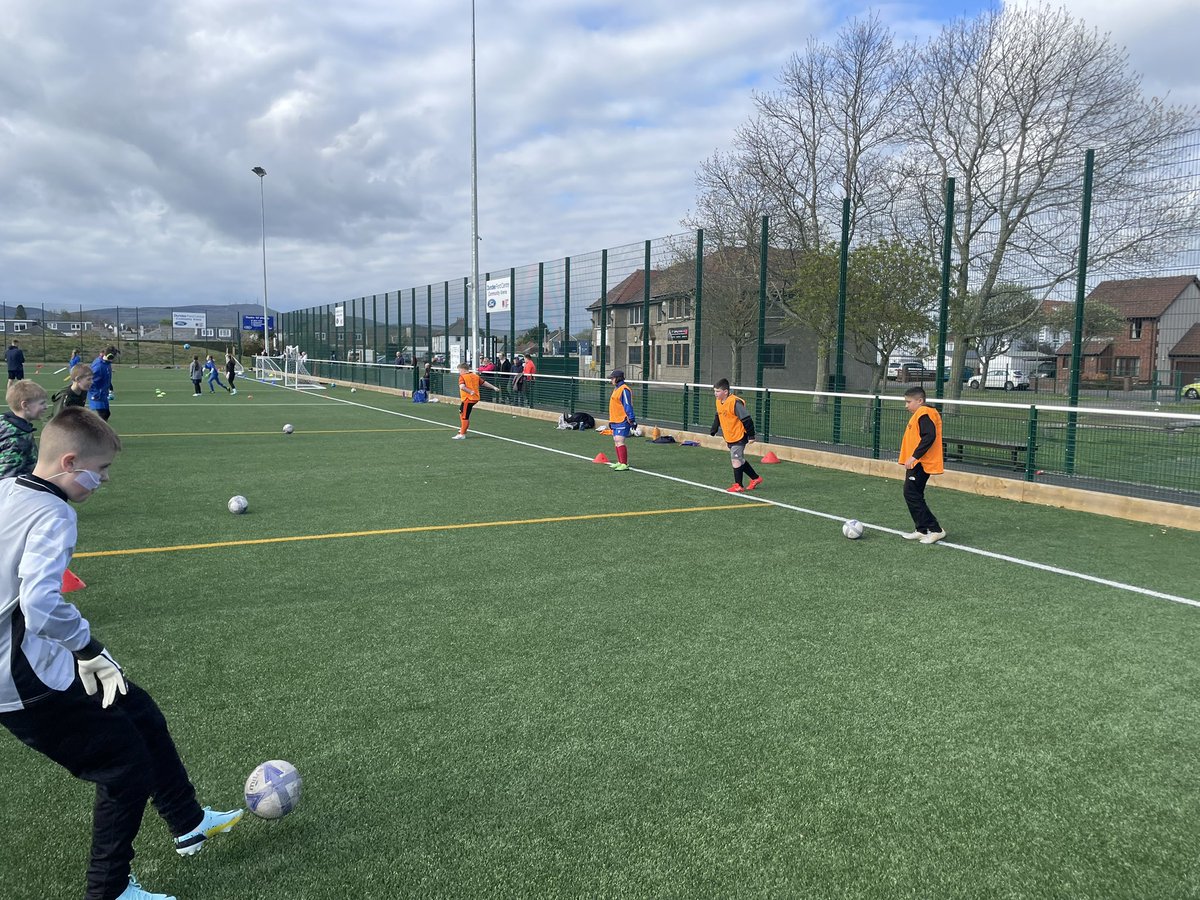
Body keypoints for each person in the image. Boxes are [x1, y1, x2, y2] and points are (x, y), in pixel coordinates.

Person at [0, 408, 242, 900]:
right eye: (101, 469)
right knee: (123, 766)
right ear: (69, 462)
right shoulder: (55, 514)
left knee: (138, 710)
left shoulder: (8, 488)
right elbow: (39, 603)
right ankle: (108, 890)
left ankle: (188, 823)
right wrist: (87, 647)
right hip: (21, 676)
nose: (105, 480)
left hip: (34, 657)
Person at [899, 386, 946, 544]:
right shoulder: (920, 414)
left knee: (911, 493)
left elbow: (929, 436)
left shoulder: (924, 413)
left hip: (921, 462)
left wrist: (914, 456)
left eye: (909, 402)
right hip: (916, 462)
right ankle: (921, 529)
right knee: (913, 494)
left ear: (919, 400)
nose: (906, 405)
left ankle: (936, 529)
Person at [709, 378, 762, 493]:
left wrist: (751, 436)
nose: (715, 394)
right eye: (714, 391)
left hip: (739, 436)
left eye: (717, 391)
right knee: (740, 460)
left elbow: (747, 419)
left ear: (725, 392)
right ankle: (755, 478)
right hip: (730, 436)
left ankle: (738, 485)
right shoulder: (719, 401)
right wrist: (714, 429)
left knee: (735, 460)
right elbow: (718, 415)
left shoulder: (735, 403)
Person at [1, 380, 49, 478]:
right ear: (25, 405)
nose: (46, 407)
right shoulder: (18, 440)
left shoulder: (4, 421)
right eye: (42, 403)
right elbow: (7, 478)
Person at [452, 362, 497, 439]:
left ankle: (462, 434)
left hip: (467, 398)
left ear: (463, 369)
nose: (459, 372)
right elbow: (484, 383)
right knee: (462, 412)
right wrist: (493, 387)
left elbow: (462, 387)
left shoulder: (462, 377)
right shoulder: (475, 376)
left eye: (459, 370)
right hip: (475, 398)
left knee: (464, 416)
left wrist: (470, 391)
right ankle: (463, 429)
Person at [606, 369, 637, 471]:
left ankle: (624, 463)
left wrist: (631, 419)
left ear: (617, 378)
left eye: (612, 378)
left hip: (622, 420)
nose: (611, 380)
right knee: (616, 440)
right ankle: (620, 461)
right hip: (615, 420)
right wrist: (611, 420)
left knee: (620, 440)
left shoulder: (624, 389)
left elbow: (627, 405)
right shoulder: (617, 389)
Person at [88, 347, 117, 422]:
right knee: (101, 417)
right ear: (110, 356)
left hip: (103, 394)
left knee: (106, 414)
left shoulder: (106, 363)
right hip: (97, 396)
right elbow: (90, 381)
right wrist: (96, 394)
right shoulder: (98, 366)